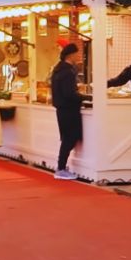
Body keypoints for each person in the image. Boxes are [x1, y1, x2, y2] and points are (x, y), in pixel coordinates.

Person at [52, 43, 84, 181]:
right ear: (70, 55)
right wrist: (84, 97)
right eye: (77, 53)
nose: (79, 55)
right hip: (69, 109)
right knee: (69, 139)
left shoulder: (58, 70)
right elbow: (69, 93)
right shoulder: (68, 72)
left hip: (62, 109)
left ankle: (61, 167)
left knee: (67, 138)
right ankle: (61, 168)